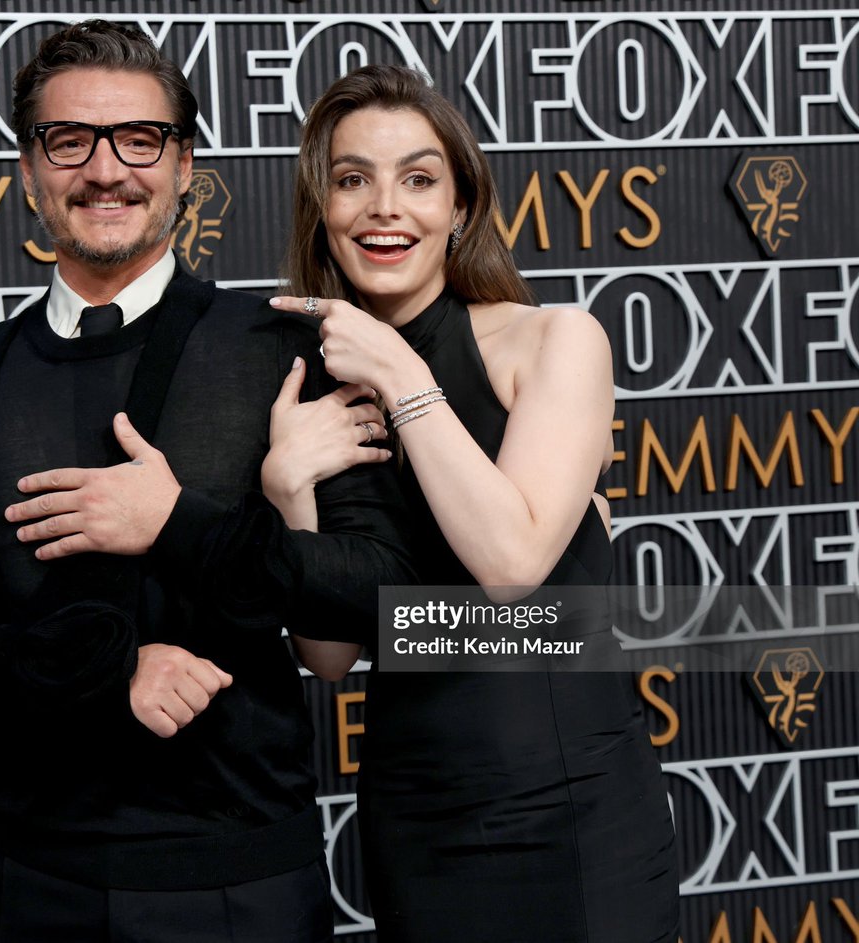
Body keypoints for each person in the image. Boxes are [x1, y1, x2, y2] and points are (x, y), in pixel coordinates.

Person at [0, 22, 412, 943]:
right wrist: (107, 674)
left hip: (238, 885)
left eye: (139, 139)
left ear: (185, 164)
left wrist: (177, 522)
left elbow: (381, 597)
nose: (105, 170)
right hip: (19, 884)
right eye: (68, 141)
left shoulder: (283, 350)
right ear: (28, 170)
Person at [262, 65, 680, 943]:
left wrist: (403, 374)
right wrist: (287, 486)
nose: (385, 207)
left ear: (459, 207)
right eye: (352, 179)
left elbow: (512, 566)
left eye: (418, 179)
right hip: (416, 819)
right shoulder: (313, 384)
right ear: (322, 209)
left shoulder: (555, 339)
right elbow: (331, 656)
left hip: (575, 815)